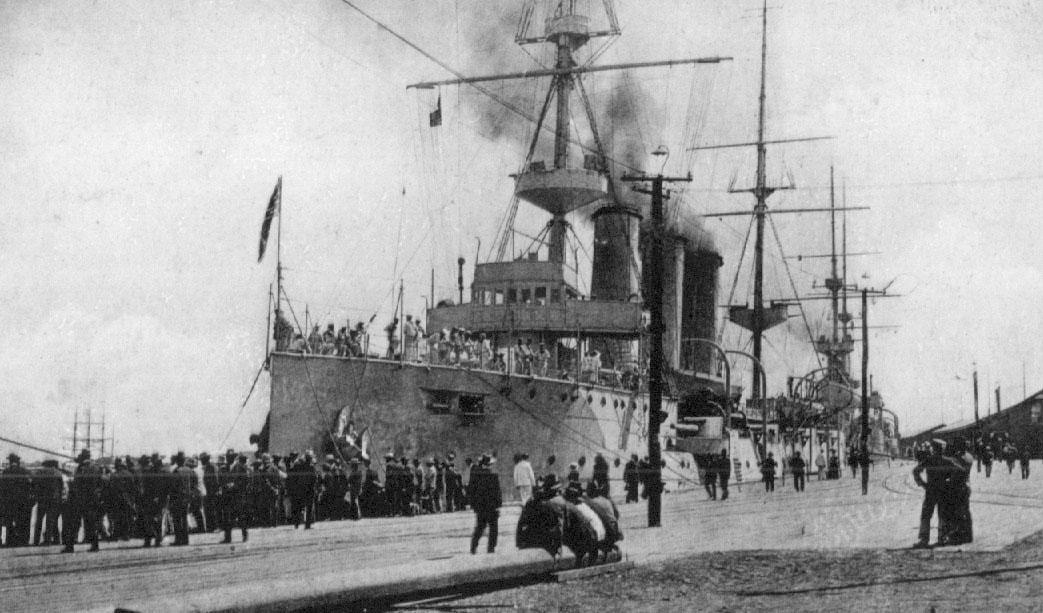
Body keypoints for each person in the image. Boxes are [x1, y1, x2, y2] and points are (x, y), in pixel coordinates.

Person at [911, 439, 952, 548]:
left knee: (926, 515)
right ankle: (942, 538)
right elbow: (958, 473)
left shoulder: (929, 460)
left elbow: (915, 471)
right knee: (943, 514)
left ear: (934, 448)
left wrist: (922, 484)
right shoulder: (947, 461)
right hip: (943, 491)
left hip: (931, 490)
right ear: (942, 449)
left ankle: (924, 539)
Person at [63, 450, 103, 553]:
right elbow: (100, 482)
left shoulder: (82, 468)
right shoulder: (95, 467)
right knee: (90, 523)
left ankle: (70, 546)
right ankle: (95, 545)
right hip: (91, 499)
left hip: (81, 499)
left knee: (74, 523)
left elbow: (79, 483)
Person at [468, 454, 502, 554]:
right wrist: (498, 506)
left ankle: (473, 547)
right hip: (491, 507)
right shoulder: (493, 476)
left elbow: (471, 492)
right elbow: (497, 493)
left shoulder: (475, 476)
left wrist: (474, 506)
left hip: (480, 507)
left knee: (479, 527)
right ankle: (491, 548)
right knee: (493, 528)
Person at [1, 453, 33, 547]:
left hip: (10, 500)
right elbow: (29, 485)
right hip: (23, 500)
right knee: (22, 521)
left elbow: (2, 487)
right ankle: (23, 541)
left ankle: (10, 541)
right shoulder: (24, 471)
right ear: (18, 462)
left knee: (10, 520)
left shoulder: (6, 472)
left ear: (10, 461)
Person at [32, 459, 65, 546]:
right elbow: (61, 487)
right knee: (50, 520)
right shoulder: (57, 473)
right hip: (54, 499)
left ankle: (36, 541)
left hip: (42, 499)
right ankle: (48, 540)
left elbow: (34, 484)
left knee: (39, 520)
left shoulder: (39, 472)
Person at [168, 451, 196, 546]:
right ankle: (185, 539)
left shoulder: (176, 471)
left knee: (177, 518)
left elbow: (172, 486)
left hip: (177, 497)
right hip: (187, 497)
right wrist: (191, 493)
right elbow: (194, 483)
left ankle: (178, 539)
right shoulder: (190, 470)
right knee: (184, 518)